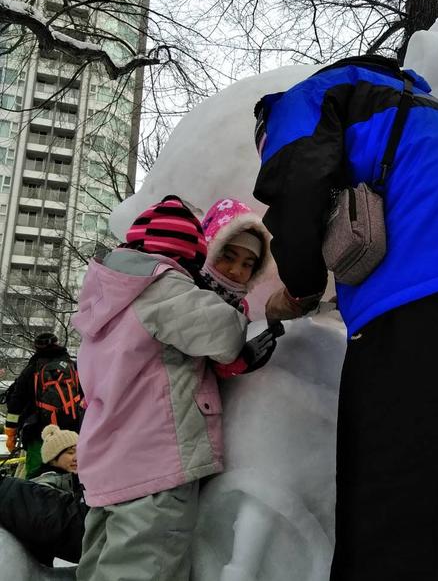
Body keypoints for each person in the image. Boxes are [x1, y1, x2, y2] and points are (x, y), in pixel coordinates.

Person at [253, 55, 438, 581]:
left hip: (420, 296)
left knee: (391, 502)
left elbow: (297, 187)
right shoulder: (426, 108)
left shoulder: (303, 101)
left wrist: (297, 290)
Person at [71, 195, 252, 581]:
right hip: (155, 464)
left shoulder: (105, 295)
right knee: (145, 567)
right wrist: (238, 319)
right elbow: (223, 334)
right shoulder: (161, 287)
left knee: (101, 567)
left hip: (108, 467)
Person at [199, 197, 279, 377]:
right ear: (210, 248)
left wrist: (248, 357)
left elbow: (212, 370)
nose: (236, 270)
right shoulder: (185, 290)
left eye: (247, 264)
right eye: (228, 256)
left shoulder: (240, 308)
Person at [0, 424, 86, 566]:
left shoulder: (75, 479)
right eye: (70, 453)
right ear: (53, 459)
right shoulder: (43, 488)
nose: (77, 457)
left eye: (79, 451)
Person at [4, 332, 82, 479]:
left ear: (36, 347)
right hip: (72, 434)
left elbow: (15, 404)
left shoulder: (32, 370)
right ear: (58, 343)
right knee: (73, 475)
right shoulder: (74, 367)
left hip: (38, 433)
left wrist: (10, 433)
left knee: (36, 476)